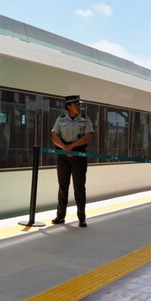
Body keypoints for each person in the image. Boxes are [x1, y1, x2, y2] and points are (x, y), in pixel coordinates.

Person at [51, 95, 94, 228]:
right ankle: (60, 216)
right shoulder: (61, 119)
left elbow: (88, 135)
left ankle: (81, 218)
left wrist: (72, 147)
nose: (80, 107)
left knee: (79, 187)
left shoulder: (85, 119)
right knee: (63, 186)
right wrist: (65, 148)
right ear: (69, 106)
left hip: (78, 155)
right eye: (77, 105)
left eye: (80, 105)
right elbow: (54, 135)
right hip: (63, 155)